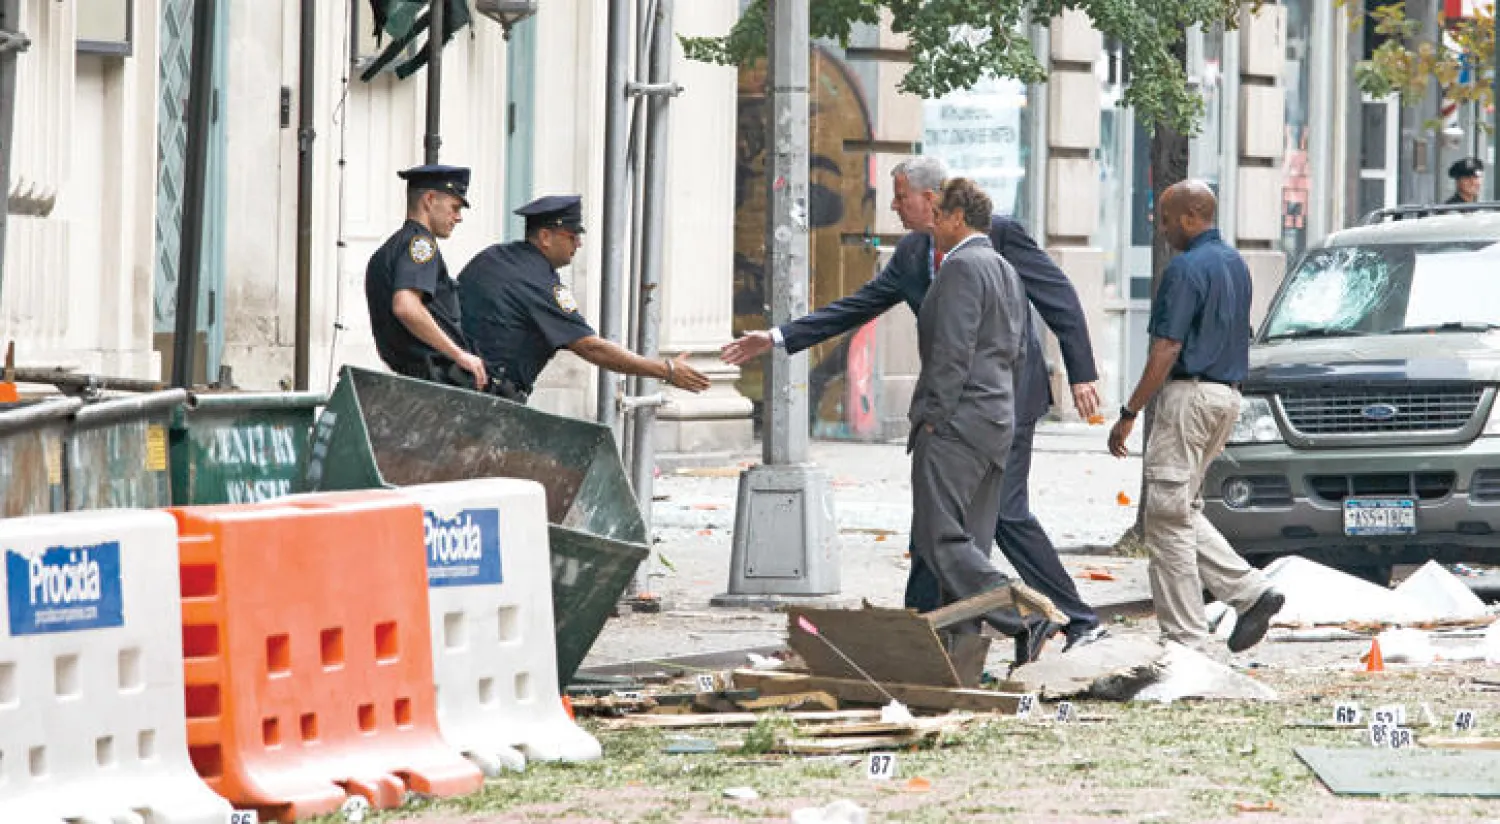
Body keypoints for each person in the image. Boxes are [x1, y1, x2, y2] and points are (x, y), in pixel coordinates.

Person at [721, 156, 1105, 655]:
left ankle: (1065, 618)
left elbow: (1055, 298)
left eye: (901, 196)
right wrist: (778, 338)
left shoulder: (993, 238)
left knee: (993, 518)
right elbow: (860, 305)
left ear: (932, 200)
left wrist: (1080, 371)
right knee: (938, 525)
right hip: (964, 410)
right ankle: (930, 635)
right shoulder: (912, 253)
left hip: (996, 404)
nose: (894, 207)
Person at [1107, 180, 1283, 654]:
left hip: (1190, 396)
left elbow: (1167, 347)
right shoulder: (1236, 264)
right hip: (1226, 398)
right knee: (1183, 509)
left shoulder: (1184, 269)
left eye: (1166, 219)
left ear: (1190, 217)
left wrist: (1129, 411)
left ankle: (1185, 640)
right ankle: (1251, 593)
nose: (1162, 229)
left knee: (1166, 519)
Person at [908, 177, 1056, 662]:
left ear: (957, 217)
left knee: (939, 537)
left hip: (958, 423)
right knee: (970, 543)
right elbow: (1019, 351)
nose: (932, 226)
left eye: (938, 216)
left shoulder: (962, 267)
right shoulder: (1005, 269)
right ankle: (962, 659)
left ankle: (1024, 614)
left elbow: (952, 351)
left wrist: (934, 416)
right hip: (995, 420)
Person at [458, 195, 711, 403]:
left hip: (458, 384)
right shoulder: (538, 283)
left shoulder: (494, 257)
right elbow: (589, 347)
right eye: (572, 235)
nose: (578, 244)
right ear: (545, 237)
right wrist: (665, 370)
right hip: (487, 399)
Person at [365, 163, 488, 390]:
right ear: (429, 200)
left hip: (411, 381)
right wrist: (459, 355)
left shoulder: (390, 249)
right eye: (454, 207)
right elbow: (406, 306)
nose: (458, 217)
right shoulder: (421, 244)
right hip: (431, 383)